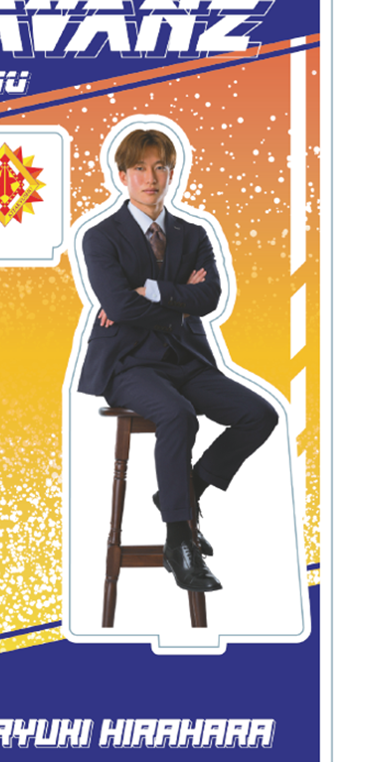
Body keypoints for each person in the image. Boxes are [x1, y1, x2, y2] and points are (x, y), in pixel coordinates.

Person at [78, 128, 278, 593]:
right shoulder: (99, 237)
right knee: (178, 415)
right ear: (122, 175)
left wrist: (149, 290)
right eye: (140, 168)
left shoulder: (193, 234)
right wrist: (178, 300)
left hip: (186, 357)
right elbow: (119, 306)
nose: (151, 178)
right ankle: (180, 540)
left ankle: (186, 489)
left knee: (260, 415)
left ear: (172, 172)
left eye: (160, 168)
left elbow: (210, 297)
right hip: (129, 363)